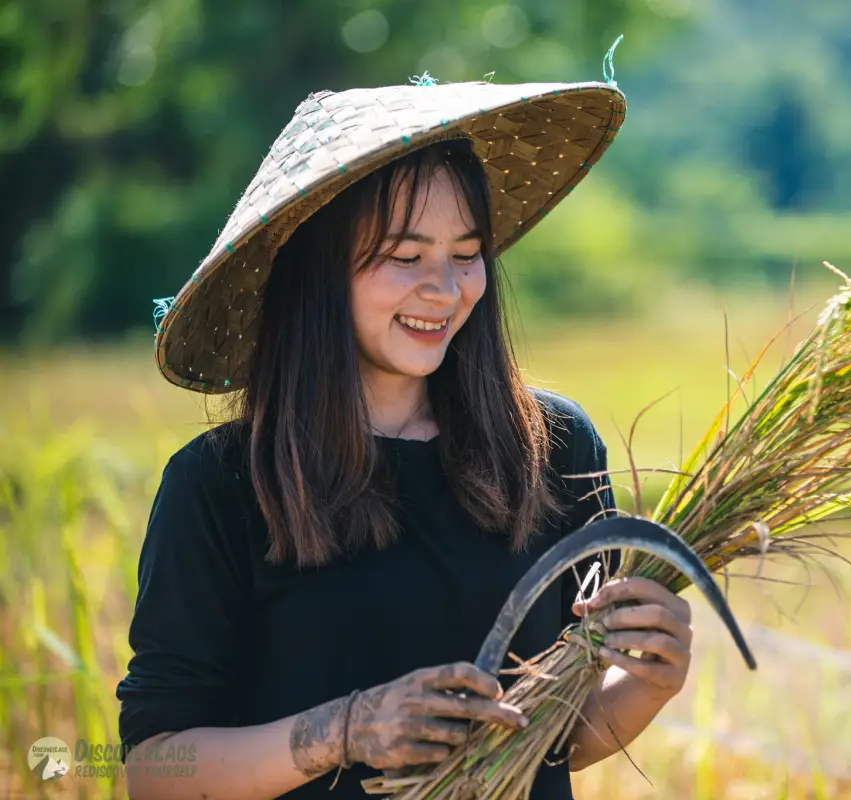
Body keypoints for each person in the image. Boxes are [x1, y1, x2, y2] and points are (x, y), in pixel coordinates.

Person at [115, 78, 694, 799]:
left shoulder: (556, 450)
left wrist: (647, 684)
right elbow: (154, 771)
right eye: (404, 255)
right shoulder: (221, 484)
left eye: (467, 252)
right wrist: (347, 729)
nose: (446, 290)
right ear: (318, 270)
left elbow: (558, 741)